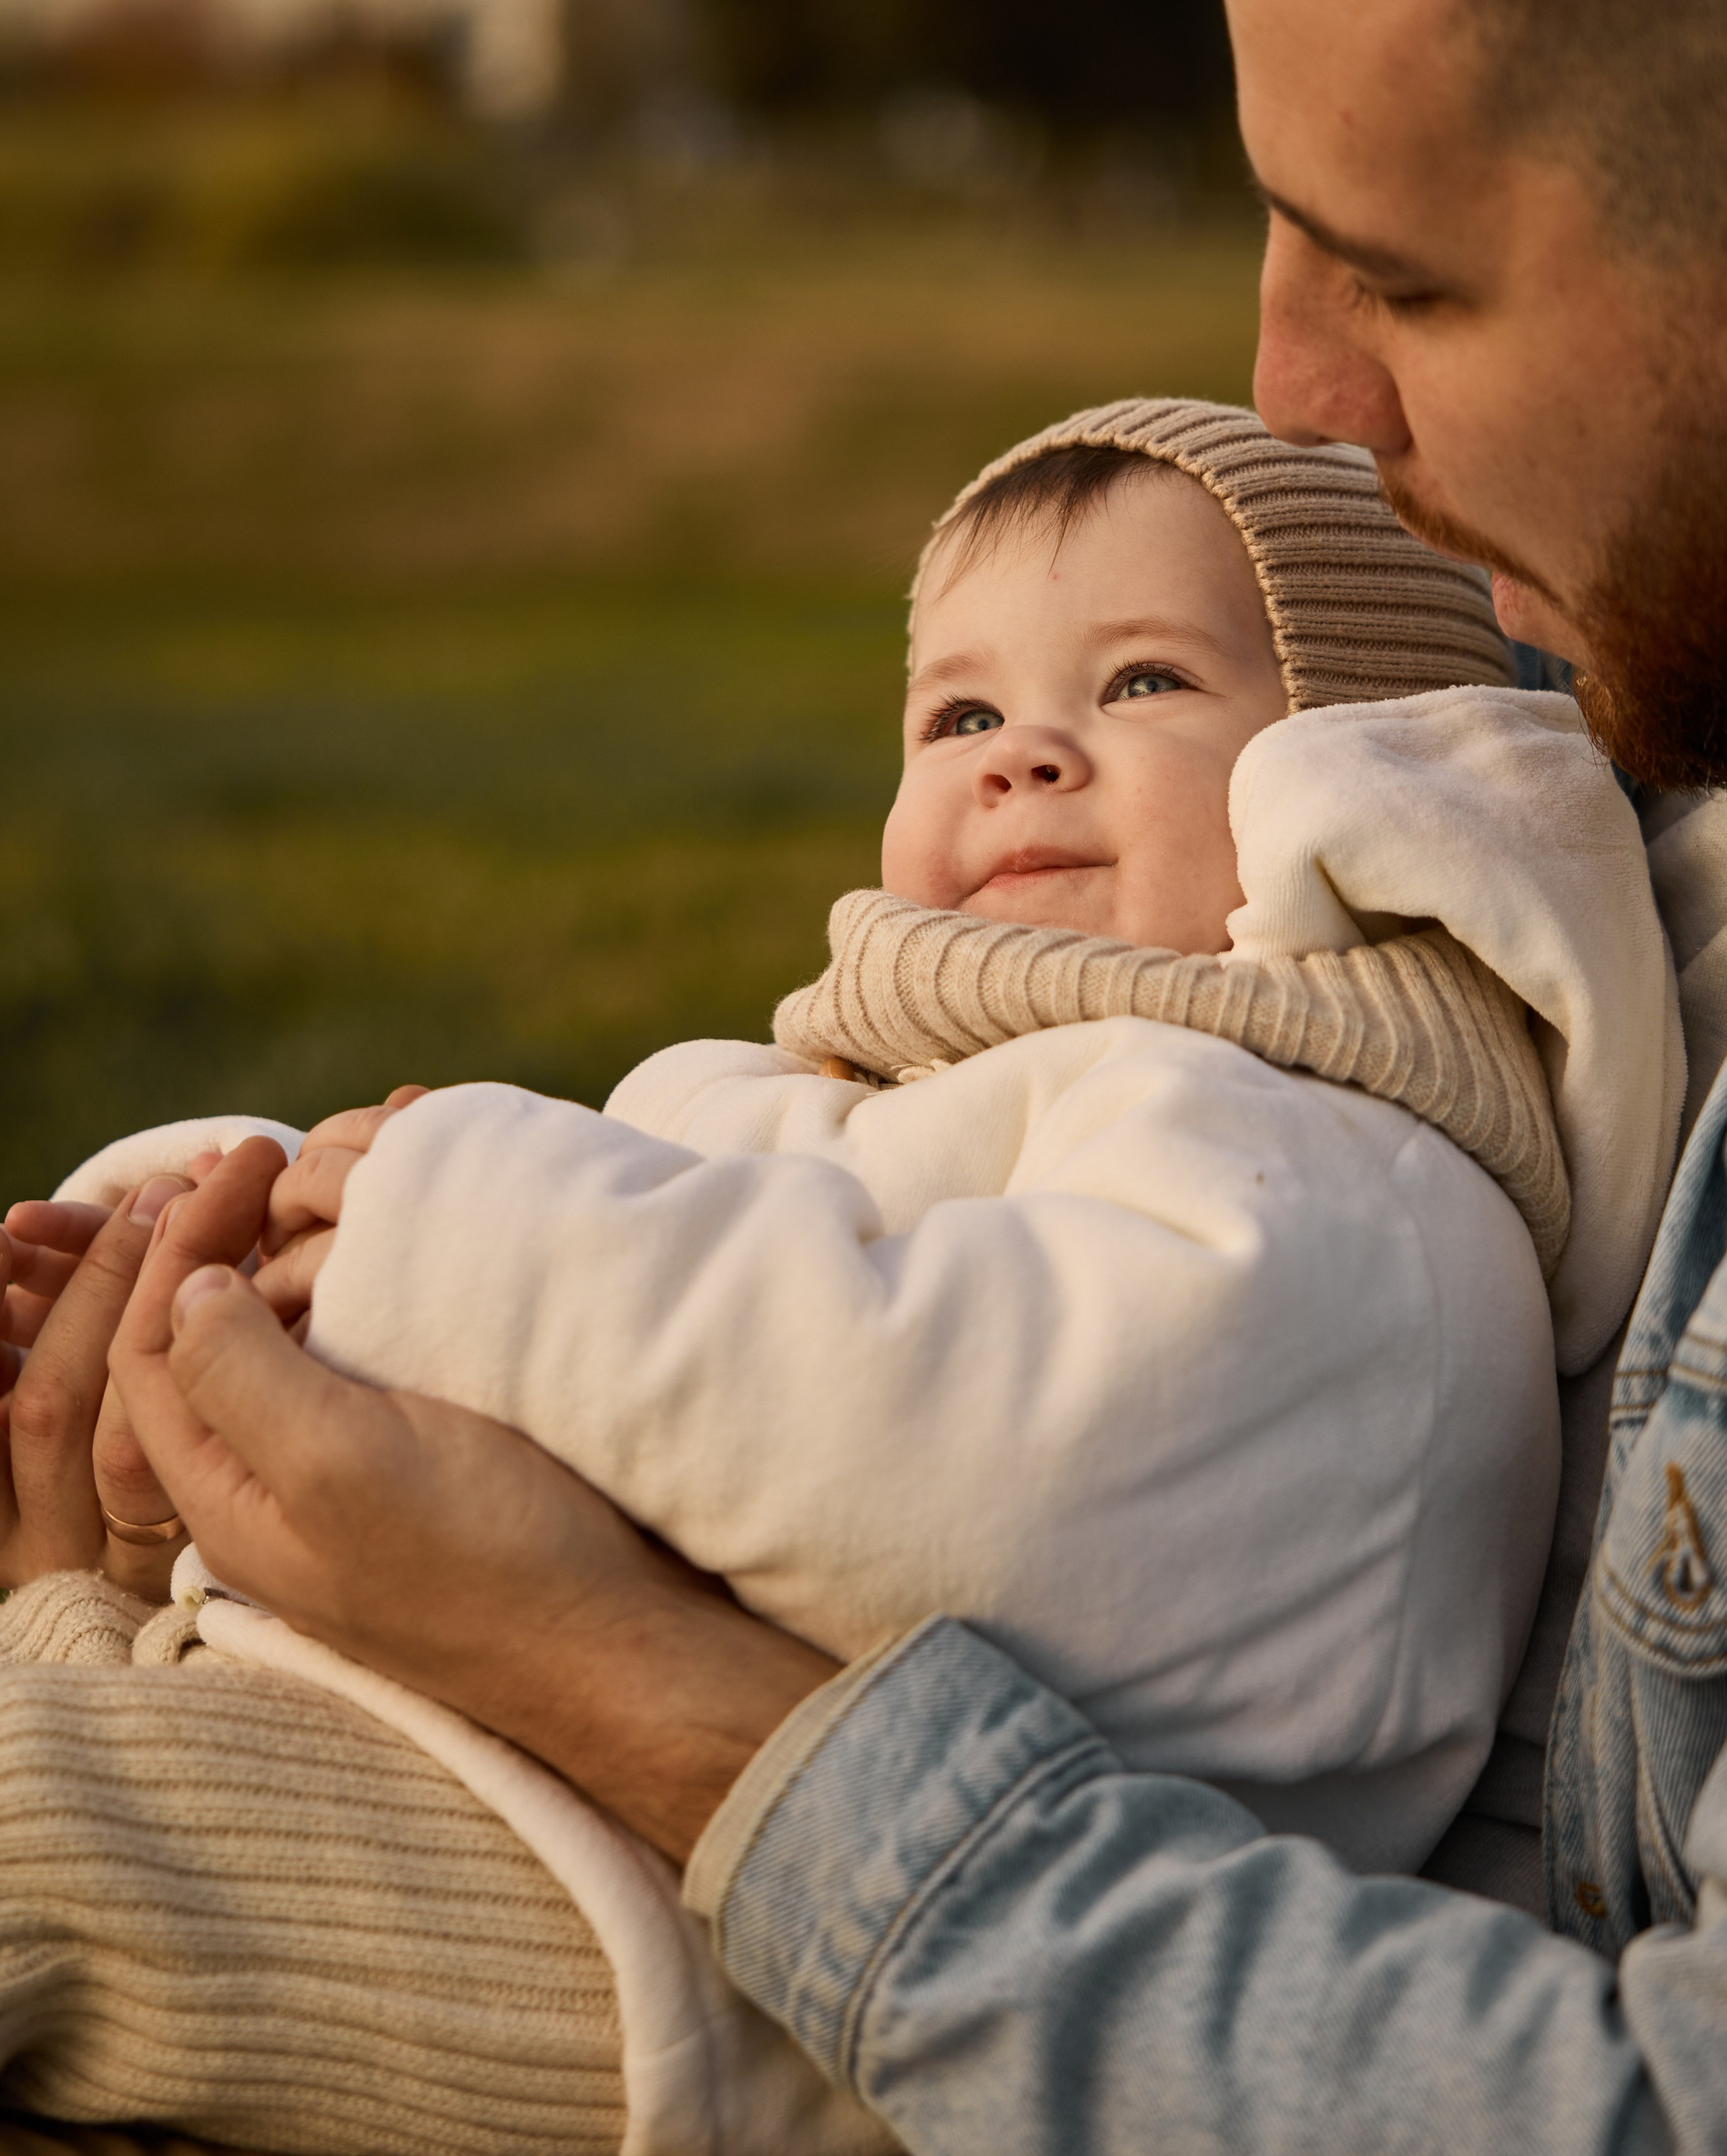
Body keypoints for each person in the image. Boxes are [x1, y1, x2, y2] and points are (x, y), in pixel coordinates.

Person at [9, 0, 1727, 2147]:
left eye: (1403, 273)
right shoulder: (1620, 817)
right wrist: (185, 1338)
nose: (1288, 383)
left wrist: (597, 1651)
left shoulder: (1356, 1078)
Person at [14, 397, 1666, 2151]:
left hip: (679, 1937)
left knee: (30, 1829)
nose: (1023, 752)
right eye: (962, 711)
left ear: (1376, 774)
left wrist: (454, 1235)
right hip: (482, 1772)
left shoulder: (1343, 1179)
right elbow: (666, 1283)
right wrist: (234, 1254)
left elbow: (974, 1461)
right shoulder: (897, 1090)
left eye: (1144, 684)